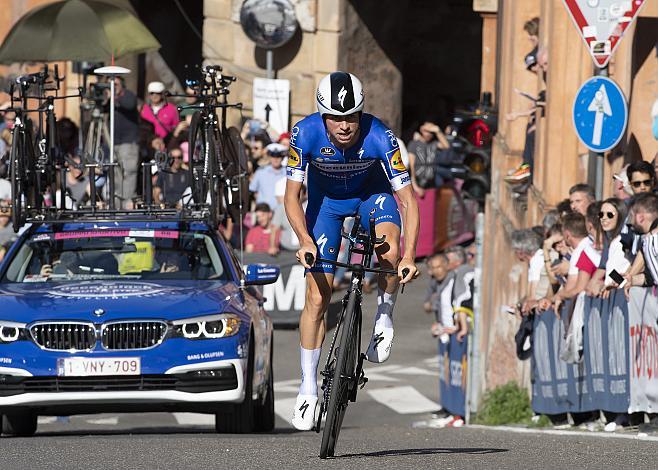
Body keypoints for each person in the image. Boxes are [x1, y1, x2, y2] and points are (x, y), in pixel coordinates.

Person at [284, 71, 419, 430]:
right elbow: (291, 196)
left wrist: (410, 255)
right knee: (316, 298)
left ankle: (384, 316)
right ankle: (308, 387)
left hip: (371, 196)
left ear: (361, 113)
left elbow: (407, 199)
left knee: (388, 253)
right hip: (325, 205)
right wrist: (304, 239)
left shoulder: (380, 136)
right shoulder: (305, 133)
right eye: (336, 117)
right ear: (323, 115)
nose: (345, 126)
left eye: (352, 116)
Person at [110, 76, 140, 208]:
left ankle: (128, 204)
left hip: (128, 142)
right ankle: (116, 205)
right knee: (116, 174)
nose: (113, 87)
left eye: (115, 84)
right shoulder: (109, 97)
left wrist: (115, 96)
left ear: (122, 85)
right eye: (110, 84)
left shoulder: (128, 95)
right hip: (113, 142)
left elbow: (130, 104)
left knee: (128, 173)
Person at [623, 193, 658, 290]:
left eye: (631, 216)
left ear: (640, 218)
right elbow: (652, 278)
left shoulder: (651, 241)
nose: (630, 222)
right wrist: (632, 280)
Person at [406, 121, 451, 196]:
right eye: (427, 131)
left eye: (431, 132)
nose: (429, 133)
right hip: (417, 182)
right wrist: (415, 187)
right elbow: (411, 168)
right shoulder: (414, 144)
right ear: (421, 129)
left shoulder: (433, 143)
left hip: (430, 183)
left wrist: (438, 131)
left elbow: (446, 146)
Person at [249, 142, 287, 210]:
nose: (275, 159)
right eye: (273, 156)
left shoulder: (287, 174)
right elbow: (252, 190)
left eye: (278, 156)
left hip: (281, 213)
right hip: (263, 213)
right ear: (269, 157)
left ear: (283, 157)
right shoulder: (260, 172)